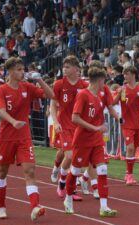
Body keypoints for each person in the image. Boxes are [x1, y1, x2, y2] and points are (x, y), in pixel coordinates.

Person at [0, 57, 53, 220]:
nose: (22, 72)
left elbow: (51, 95)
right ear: (10, 71)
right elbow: (1, 111)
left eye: (23, 69)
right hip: (6, 137)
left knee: (30, 171)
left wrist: (40, 79)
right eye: (19, 70)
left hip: (24, 137)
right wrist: (13, 122)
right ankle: (1, 206)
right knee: (2, 172)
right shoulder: (2, 90)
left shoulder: (27, 86)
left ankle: (35, 207)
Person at [63, 66, 117, 217]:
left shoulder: (99, 96)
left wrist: (101, 127)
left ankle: (104, 207)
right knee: (75, 171)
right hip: (82, 141)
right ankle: (68, 199)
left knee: (103, 170)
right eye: (103, 80)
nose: (104, 84)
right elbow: (75, 118)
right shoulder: (83, 95)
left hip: (97, 141)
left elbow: (98, 118)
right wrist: (95, 128)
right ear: (99, 80)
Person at [50, 56, 88, 200]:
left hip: (78, 126)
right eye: (63, 66)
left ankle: (67, 186)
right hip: (64, 125)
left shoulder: (83, 85)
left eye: (67, 67)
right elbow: (53, 104)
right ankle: (62, 183)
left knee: (72, 156)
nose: (64, 69)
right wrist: (55, 122)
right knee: (70, 156)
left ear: (76, 69)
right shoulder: (59, 84)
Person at [113, 66, 139, 185]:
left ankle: (128, 172)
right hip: (126, 123)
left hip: (138, 123)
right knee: (130, 147)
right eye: (124, 74)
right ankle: (130, 175)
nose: (124, 76)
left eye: (126, 74)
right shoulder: (122, 89)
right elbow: (112, 103)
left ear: (133, 74)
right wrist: (118, 94)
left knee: (134, 148)